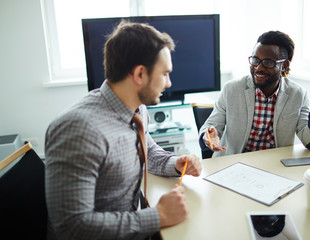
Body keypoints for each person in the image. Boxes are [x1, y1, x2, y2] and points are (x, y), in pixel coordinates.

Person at [45, 21, 202, 240]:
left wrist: (174, 163)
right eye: (165, 74)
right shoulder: (78, 130)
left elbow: (147, 148)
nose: (168, 83)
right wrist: (157, 216)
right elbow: (72, 226)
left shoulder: (137, 107)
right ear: (139, 74)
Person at [200, 30, 310, 157]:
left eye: (268, 62)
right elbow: (211, 126)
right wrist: (209, 136)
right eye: (255, 60)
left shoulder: (297, 94)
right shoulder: (231, 89)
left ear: (284, 65)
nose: (259, 68)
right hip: (234, 163)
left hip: (275, 166)